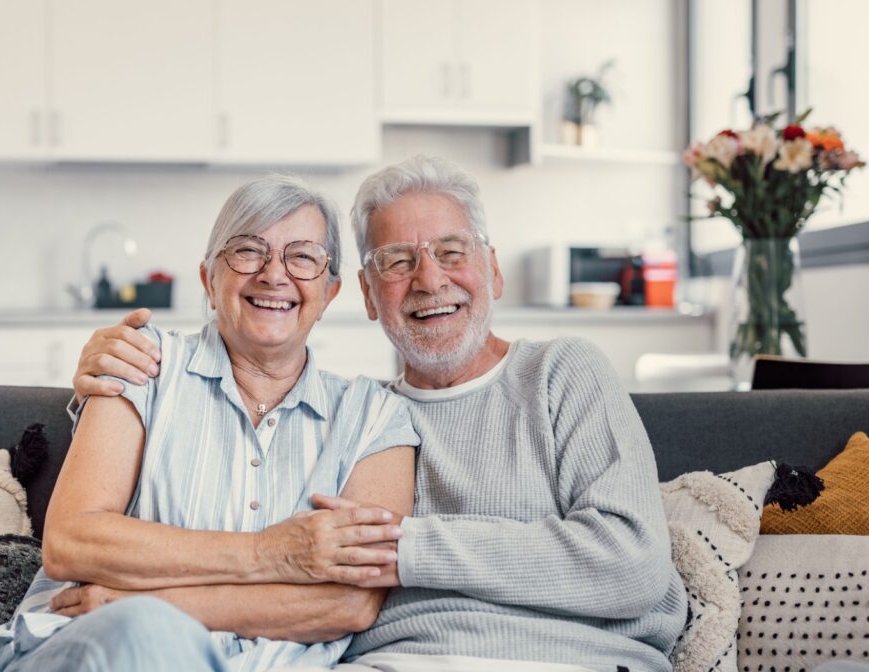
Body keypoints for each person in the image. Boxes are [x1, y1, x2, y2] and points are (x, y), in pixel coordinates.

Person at [73, 156, 688, 672]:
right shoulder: (363, 417)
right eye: (397, 262)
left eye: (452, 252)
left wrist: (404, 547)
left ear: (493, 269)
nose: (428, 280)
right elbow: (322, 594)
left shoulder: (561, 373)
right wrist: (98, 390)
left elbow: (630, 565)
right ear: (366, 294)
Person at [0, 175, 419, 672]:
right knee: (142, 635)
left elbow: (348, 604)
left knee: (147, 623)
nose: (273, 274)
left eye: (302, 256)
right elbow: (73, 543)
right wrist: (272, 554)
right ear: (208, 280)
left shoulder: (376, 417)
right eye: (247, 251)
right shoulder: (143, 363)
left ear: (329, 291)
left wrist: (155, 601)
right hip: (99, 650)